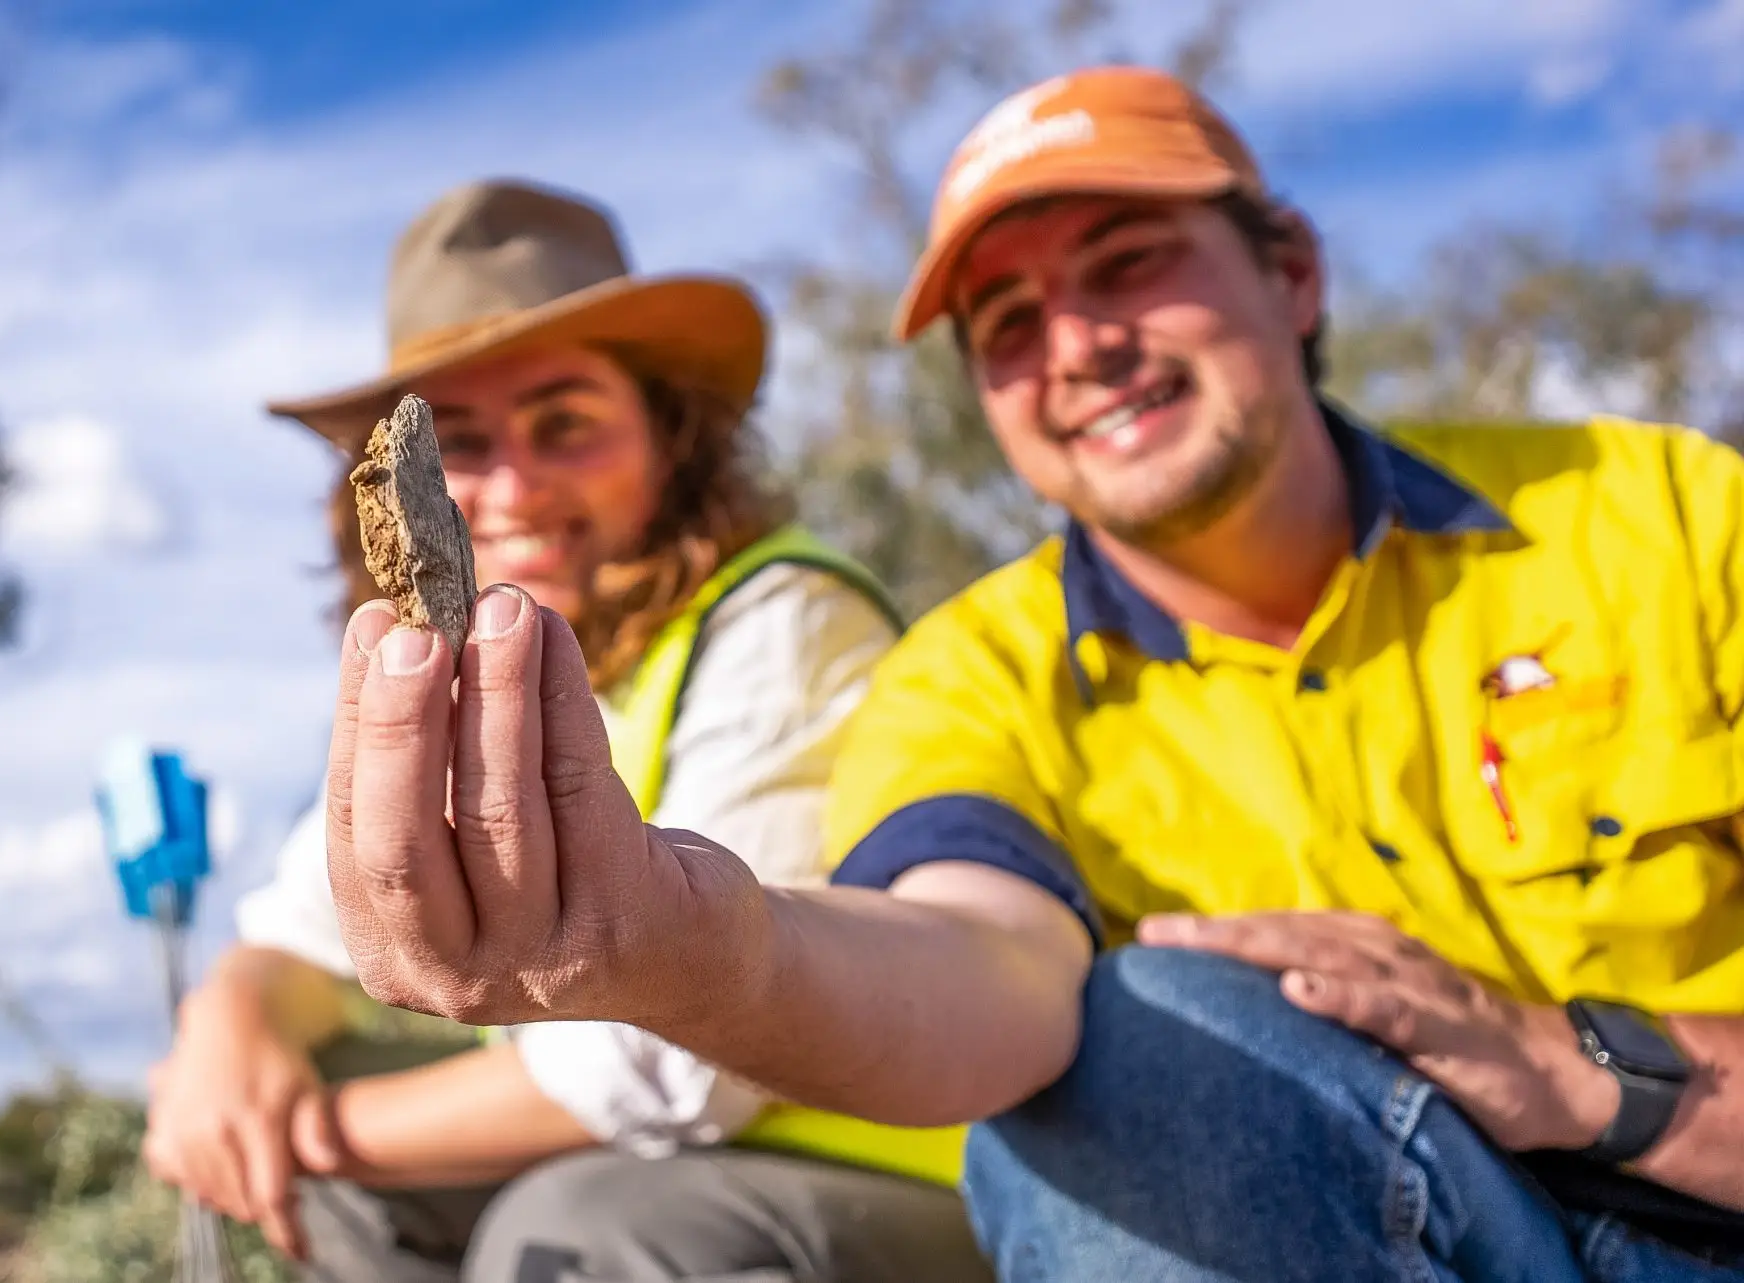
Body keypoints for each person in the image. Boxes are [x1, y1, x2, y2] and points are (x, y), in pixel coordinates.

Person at [321, 69, 1744, 1281]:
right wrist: (693, 943)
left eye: (1129, 263)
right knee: (1129, 1043)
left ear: (1292, 272)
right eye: (1006, 325)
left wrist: (1587, 1072)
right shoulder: (970, 676)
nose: (1074, 346)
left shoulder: (1666, 515)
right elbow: (974, 958)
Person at [142, 179, 989, 1283]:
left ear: (672, 438)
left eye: (565, 423)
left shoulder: (785, 623)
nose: (512, 487)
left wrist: (302, 1128)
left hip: (887, 1184)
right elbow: (305, 927)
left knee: (588, 1226)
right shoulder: (479, 663)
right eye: (462, 443)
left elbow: (672, 1076)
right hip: (662, 1169)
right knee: (354, 1189)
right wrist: (233, 1023)